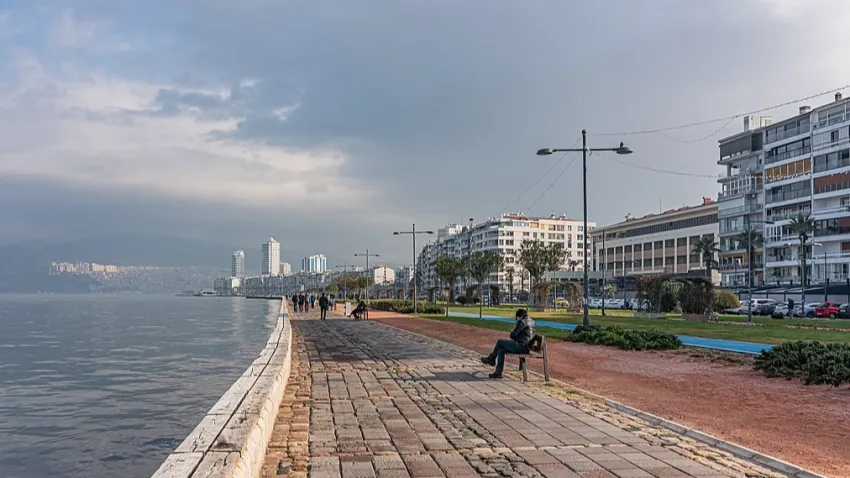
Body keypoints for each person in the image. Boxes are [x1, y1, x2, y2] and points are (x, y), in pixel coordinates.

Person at [480, 309, 535, 379]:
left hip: (521, 346)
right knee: (500, 350)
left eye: (517, 318)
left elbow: (513, 335)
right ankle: (498, 373)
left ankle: (492, 358)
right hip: (526, 347)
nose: (516, 319)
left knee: (500, 342)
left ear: (519, 316)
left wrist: (516, 328)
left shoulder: (522, 321)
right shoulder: (531, 321)